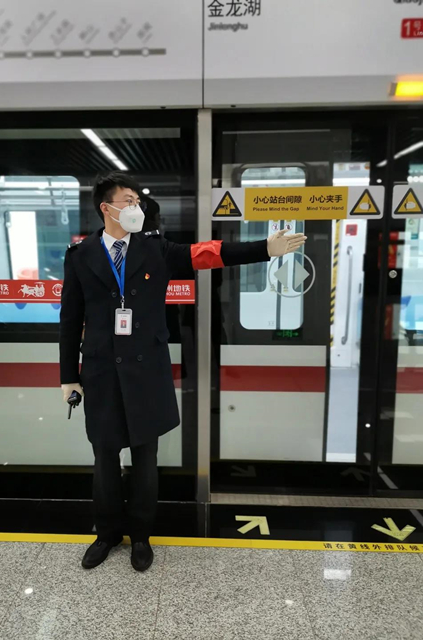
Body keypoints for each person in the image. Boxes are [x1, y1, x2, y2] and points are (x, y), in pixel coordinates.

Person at [59, 171, 306, 572]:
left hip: (147, 374)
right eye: (128, 201)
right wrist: (69, 375)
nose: (136, 207)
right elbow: (70, 320)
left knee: (146, 458)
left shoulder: (155, 248)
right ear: (106, 208)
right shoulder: (80, 255)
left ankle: (141, 536)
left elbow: (207, 254)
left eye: (138, 201)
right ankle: (106, 533)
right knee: (104, 458)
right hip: (102, 374)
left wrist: (264, 248)